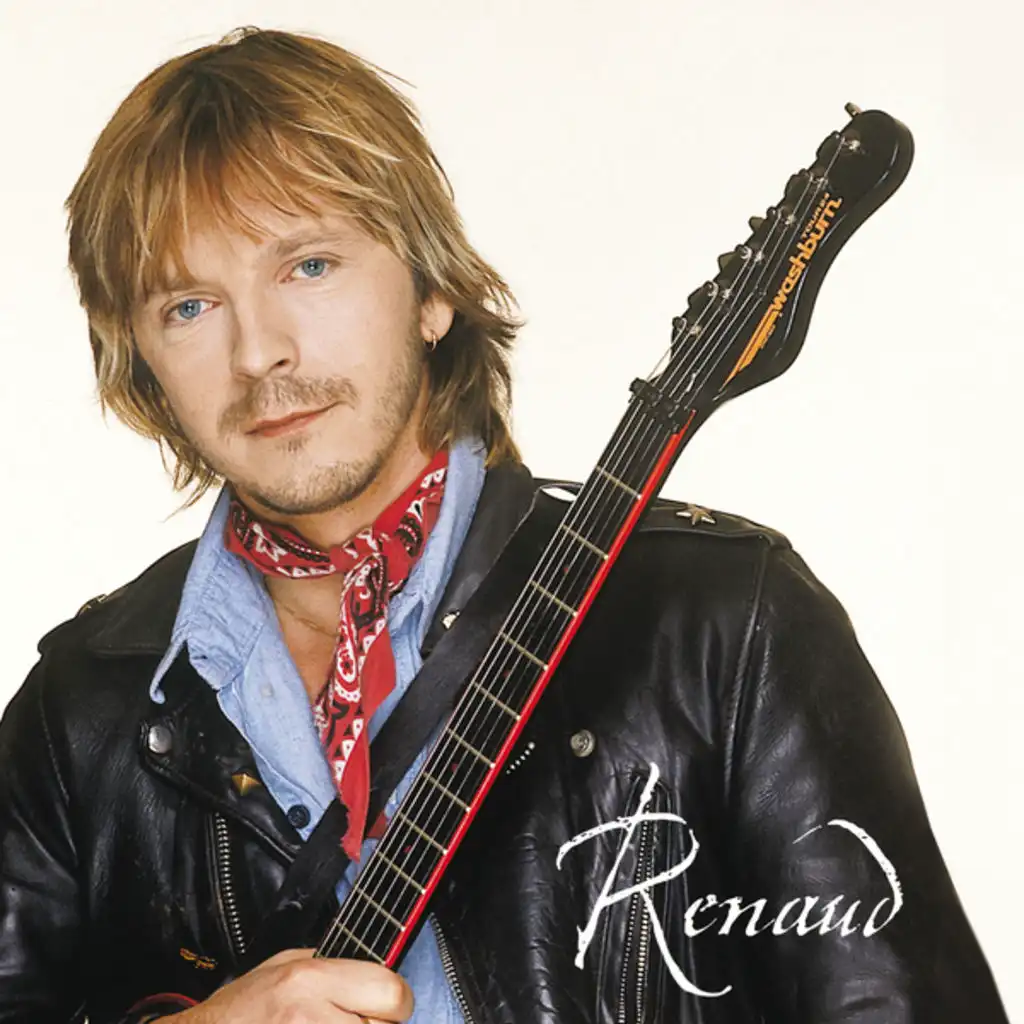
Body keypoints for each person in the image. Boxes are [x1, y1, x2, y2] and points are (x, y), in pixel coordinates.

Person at [0, 24, 1008, 1024]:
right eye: (188, 306)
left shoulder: (721, 626)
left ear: (432, 290)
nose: (259, 350)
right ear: (142, 364)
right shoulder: (80, 713)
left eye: (308, 266)